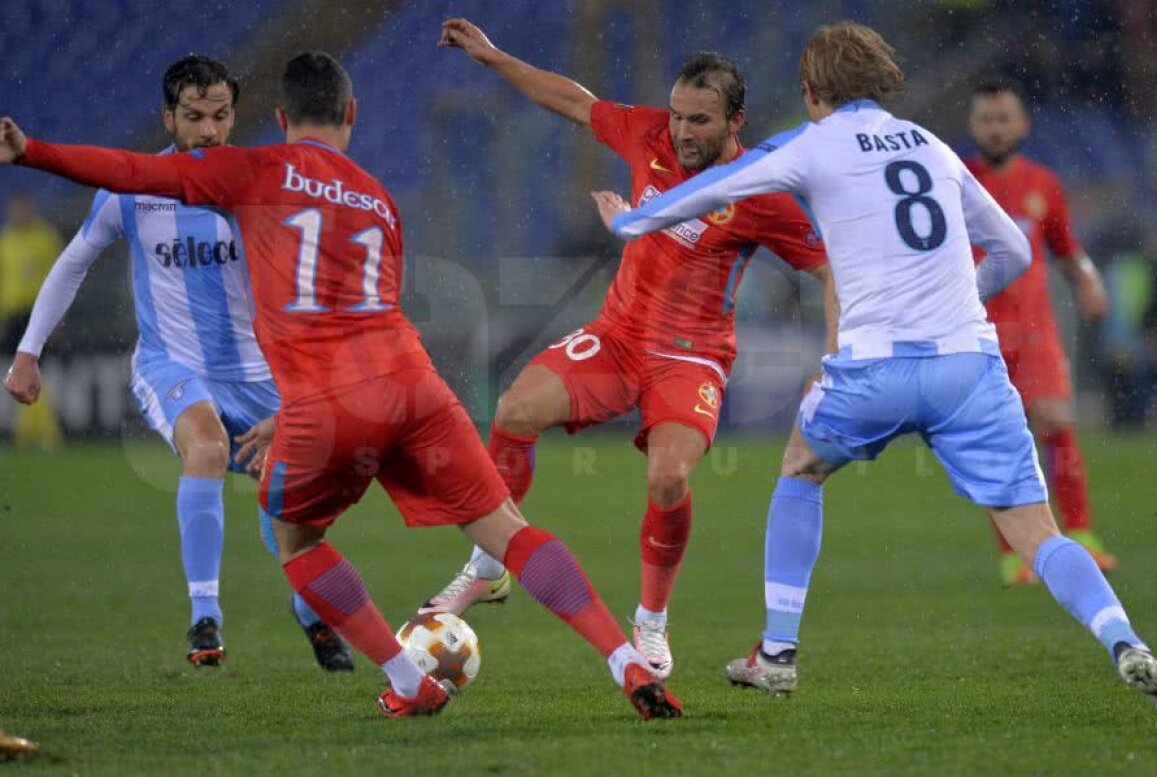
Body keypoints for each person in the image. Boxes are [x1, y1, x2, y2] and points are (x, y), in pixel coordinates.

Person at [0, 51, 681, 720]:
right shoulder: (379, 199)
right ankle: (625, 658)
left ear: (276, 116)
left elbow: (128, 171)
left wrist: (32, 150)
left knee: (296, 542)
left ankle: (405, 678)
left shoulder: (252, 170)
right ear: (351, 115)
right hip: (415, 385)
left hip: (328, 403)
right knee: (507, 530)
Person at [593, 21, 1157, 718]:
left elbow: (721, 183)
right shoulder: (934, 146)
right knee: (1037, 530)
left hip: (874, 367)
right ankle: (1124, 639)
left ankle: (778, 653)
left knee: (800, 468)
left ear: (811, 91)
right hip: (968, 367)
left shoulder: (814, 142)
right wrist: (961, 302)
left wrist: (631, 223)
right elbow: (1012, 249)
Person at [428, 18, 834, 679]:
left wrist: (841, 348)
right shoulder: (647, 134)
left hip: (692, 354)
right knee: (512, 410)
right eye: (677, 116)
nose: (681, 132)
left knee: (668, 477)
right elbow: (573, 101)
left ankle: (651, 620)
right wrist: (494, 55)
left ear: (737, 121)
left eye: (699, 120)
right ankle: (491, 560)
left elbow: (825, 268)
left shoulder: (762, 190)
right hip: (617, 336)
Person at [2, 56, 353, 673]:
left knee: (285, 499)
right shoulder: (134, 190)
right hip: (173, 362)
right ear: (168, 117)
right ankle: (204, 618)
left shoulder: (256, 184)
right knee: (208, 450)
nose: (209, 131)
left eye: (220, 116)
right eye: (193, 117)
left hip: (259, 373)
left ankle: (309, 610)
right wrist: (29, 351)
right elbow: (75, 261)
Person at [966, 81, 1116, 585]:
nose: (996, 127)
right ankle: (1014, 553)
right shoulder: (957, 179)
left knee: (1056, 420)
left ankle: (1082, 535)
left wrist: (1090, 281)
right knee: (995, 440)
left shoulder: (1043, 185)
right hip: (978, 328)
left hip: (1034, 328)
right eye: (987, 119)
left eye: (1004, 118)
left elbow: (1065, 247)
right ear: (973, 127)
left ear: (1022, 125)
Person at [0, 193, 63, 451]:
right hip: (13, 314)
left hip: (38, 314)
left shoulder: (46, 239)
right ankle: (21, 430)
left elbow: (59, 280)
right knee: (14, 371)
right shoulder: (5, 241)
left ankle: (43, 432)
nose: (20, 214)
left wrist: (57, 317)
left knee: (40, 371)